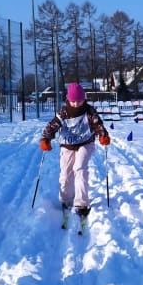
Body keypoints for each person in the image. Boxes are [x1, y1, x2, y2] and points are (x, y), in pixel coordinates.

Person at [39, 82, 110, 217]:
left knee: (80, 168)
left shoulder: (89, 111)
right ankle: (65, 199)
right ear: (68, 99)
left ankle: (82, 203)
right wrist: (45, 139)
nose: (76, 104)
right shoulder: (64, 112)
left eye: (79, 100)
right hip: (67, 145)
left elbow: (98, 124)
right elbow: (52, 126)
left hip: (85, 143)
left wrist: (103, 135)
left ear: (84, 99)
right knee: (66, 172)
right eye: (73, 101)